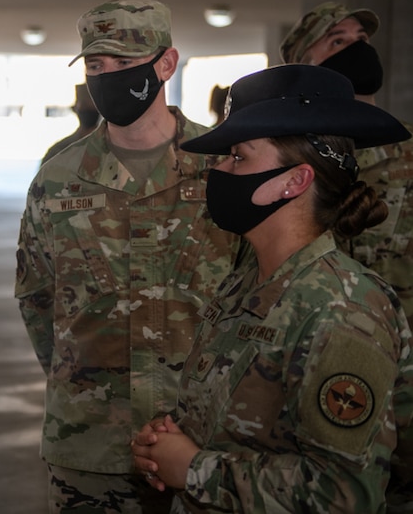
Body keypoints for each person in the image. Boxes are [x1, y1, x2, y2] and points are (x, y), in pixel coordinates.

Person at [130, 64, 413, 513]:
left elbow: (343, 494)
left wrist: (194, 468)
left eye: (239, 156)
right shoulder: (248, 279)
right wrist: (168, 443)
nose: (219, 169)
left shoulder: (342, 309)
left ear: (294, 181)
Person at [15, 0, 238, 514]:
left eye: (124, 63)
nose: (107, 76)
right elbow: (37, 296)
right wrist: (84, 380)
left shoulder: (222, 165)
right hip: (91, 445)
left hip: (206, 441)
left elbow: (259, 289)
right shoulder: (58, 176)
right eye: (96, 65)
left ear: (166, 64)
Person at [280, 1, 413, 509]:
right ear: (303, 68)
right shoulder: (289, 165)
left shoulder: (407, 151)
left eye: (361, 37)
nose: (360, 48)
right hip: (313, 384)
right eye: (338, 42)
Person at [41, 83, 101, 165]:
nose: (87, 108)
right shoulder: (60, 150)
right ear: (76, 109)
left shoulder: (112, 147)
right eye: (84, 105)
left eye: (90, 104)